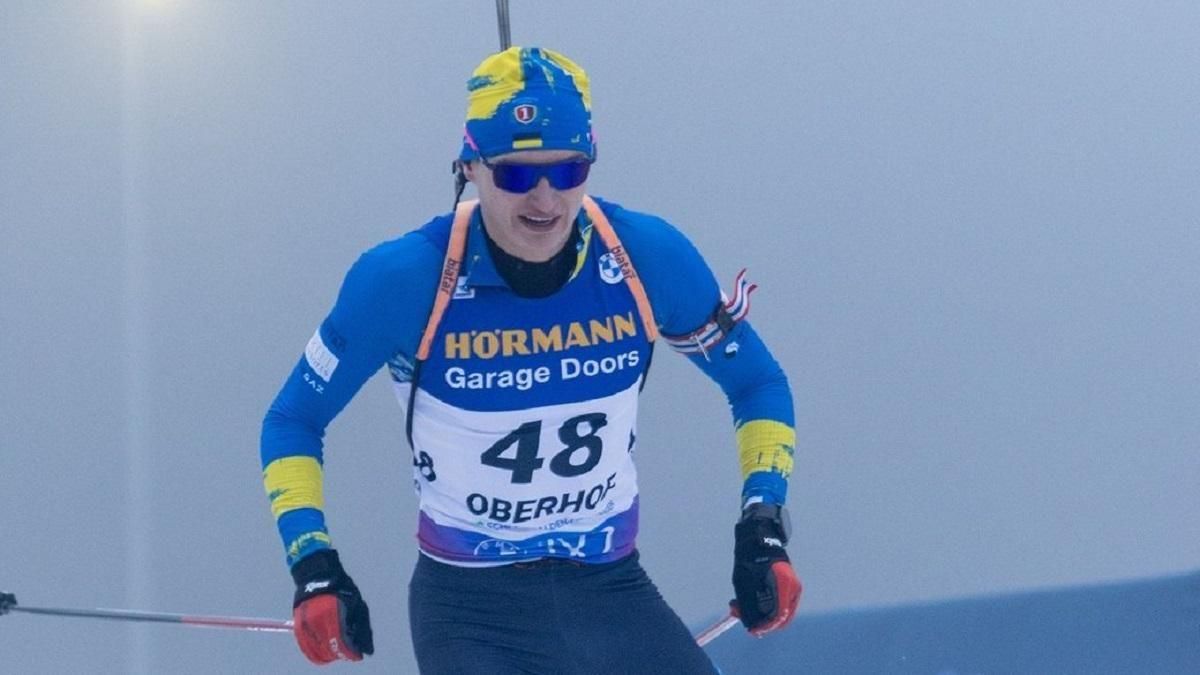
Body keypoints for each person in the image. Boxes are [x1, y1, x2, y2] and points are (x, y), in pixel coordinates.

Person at [260, 46, 800, 673]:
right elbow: (293, 419)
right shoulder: (403, 280)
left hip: (610, 590)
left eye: (568, 170)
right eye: (517, 175)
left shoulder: (646, 258)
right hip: (471, 609)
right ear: (470, 167)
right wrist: (314, 564)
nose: (545, 199)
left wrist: (762, 527)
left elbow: (757, 383)